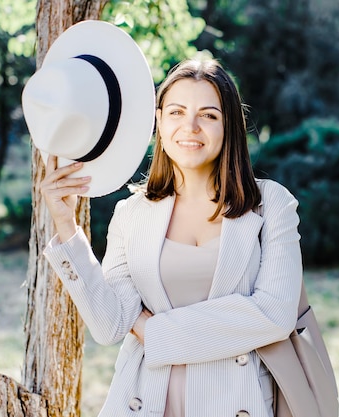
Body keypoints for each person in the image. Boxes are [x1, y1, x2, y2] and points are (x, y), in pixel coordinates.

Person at [40, 58, 303, 417]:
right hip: (148, 401)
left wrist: (154, 333)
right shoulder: (132, 214)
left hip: (237, 401)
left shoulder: (270, 203)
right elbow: (111, 324)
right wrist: (65, 224)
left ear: (229, 125)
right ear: (159, 122)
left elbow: (275, 315)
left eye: (208, 115)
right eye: (176, 112)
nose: (190, 127)